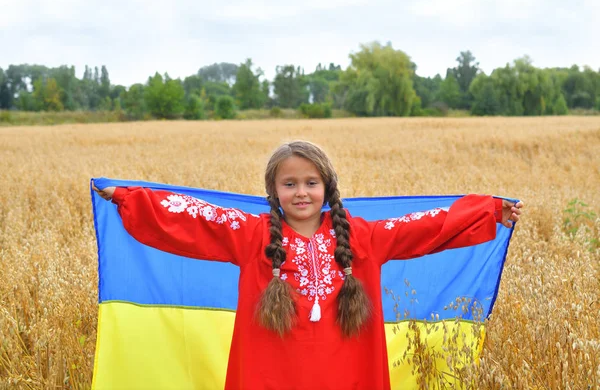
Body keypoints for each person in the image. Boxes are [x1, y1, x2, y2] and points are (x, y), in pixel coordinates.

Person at [92, 140, 523, 390]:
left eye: (311, 182)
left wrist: (487, 213)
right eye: (290, 183)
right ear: (273, 190)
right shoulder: (251, 235)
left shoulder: (362, 238)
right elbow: (192, 216)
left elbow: (425, 226)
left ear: (327, 187)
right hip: (271, 373)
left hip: (348, 372)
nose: (301, 192)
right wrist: (131, 199)